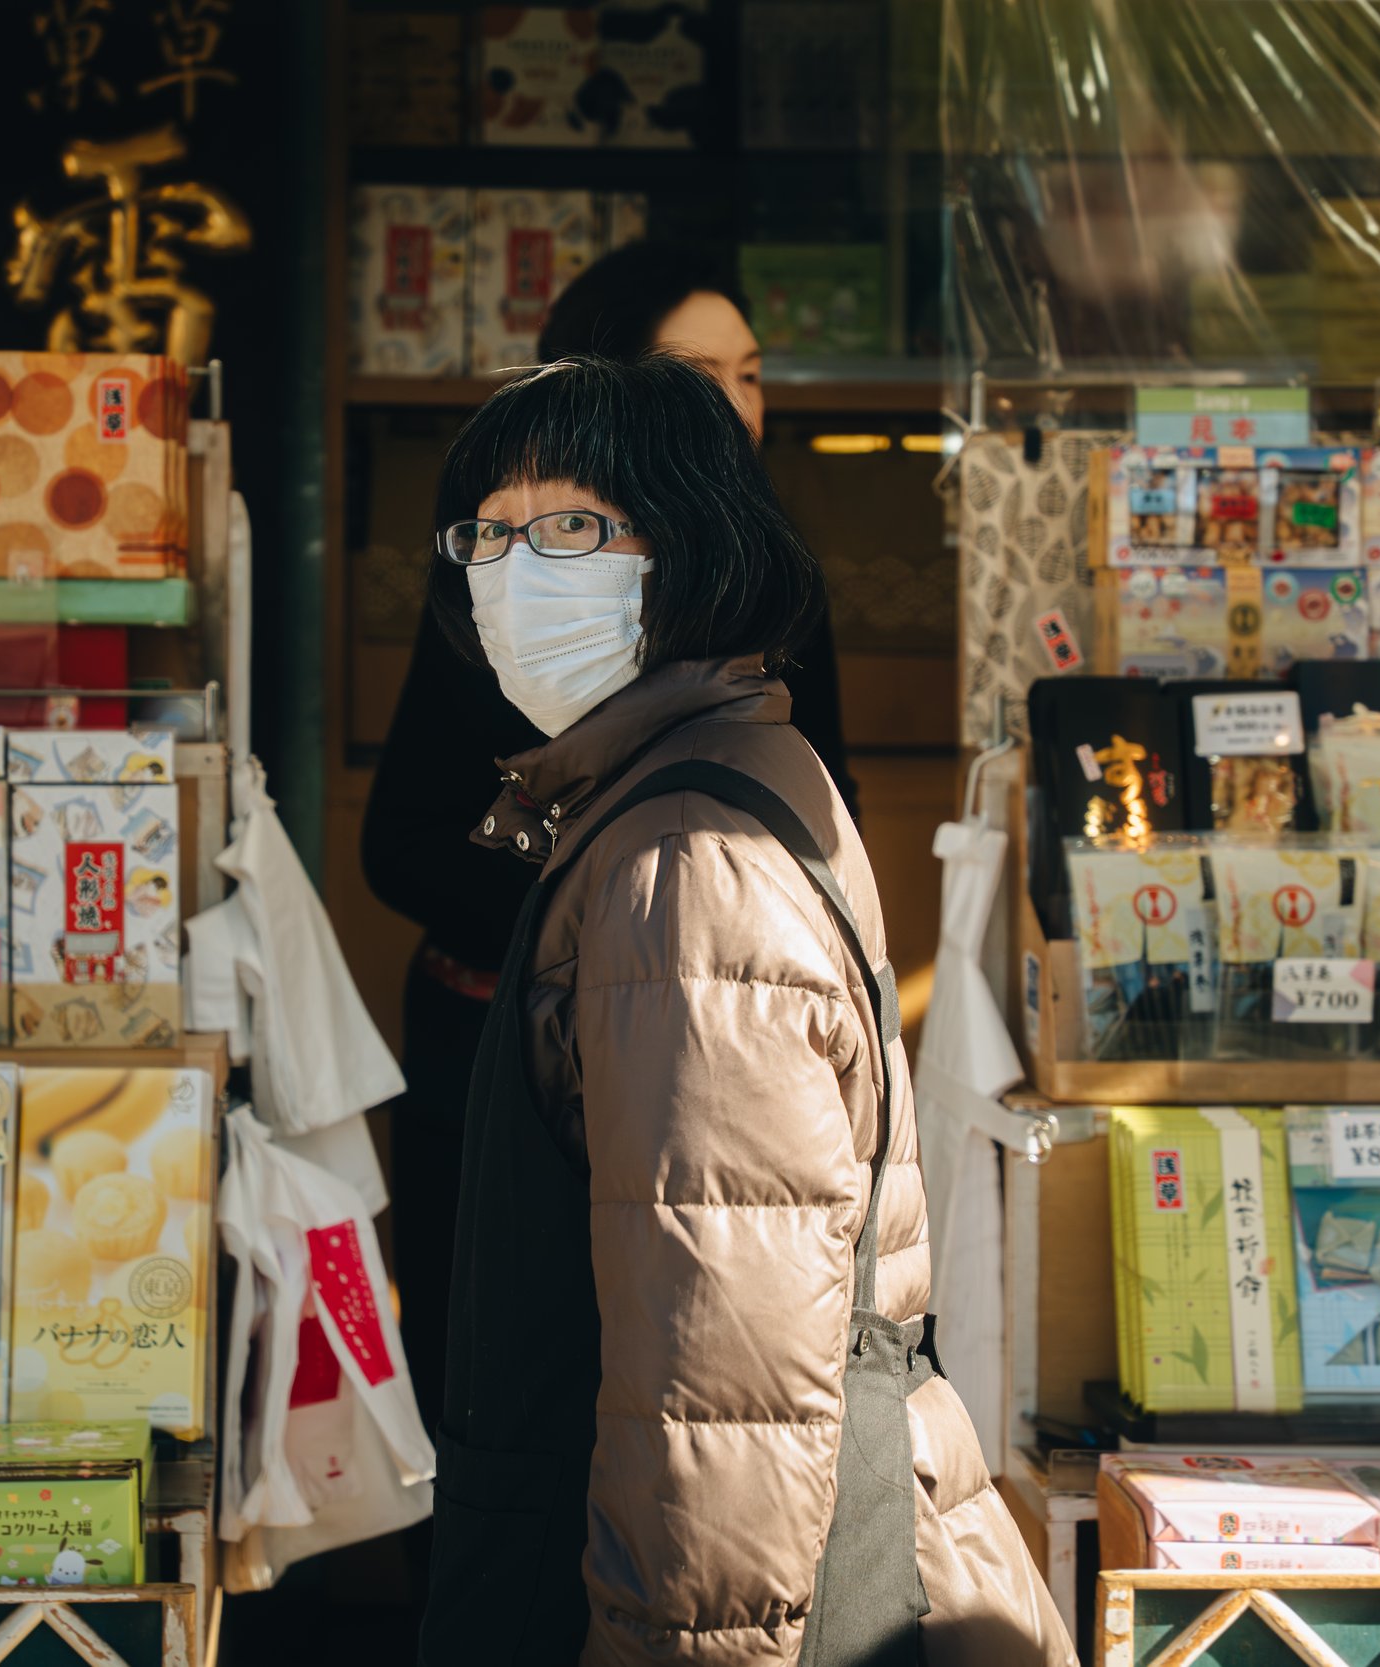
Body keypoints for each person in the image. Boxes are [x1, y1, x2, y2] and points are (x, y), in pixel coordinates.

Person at [417, 353, 1071, 1666]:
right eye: (488, 533)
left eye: (573, 527)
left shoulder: (683, 861)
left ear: (693, 549)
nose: (514, 568)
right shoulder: (675, 788)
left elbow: (720, 1396)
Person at [362, 241, 853, 1437]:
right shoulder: (515, 592)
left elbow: (726, 1380)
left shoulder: (720, 832)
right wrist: (573, 916)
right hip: (482, 1047)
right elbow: (404, 838)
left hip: (670, 1093)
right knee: (483, 1396)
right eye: (697, 371)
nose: (732, 404)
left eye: (748, 373)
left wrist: (615, 912)